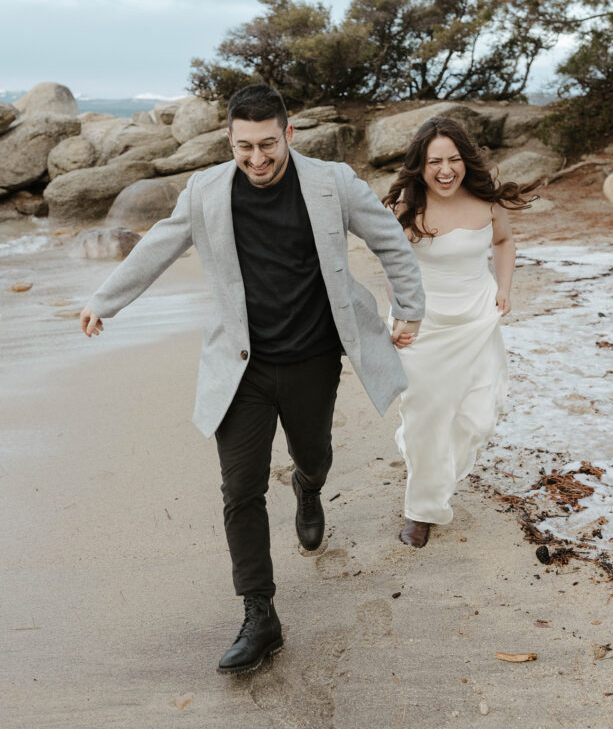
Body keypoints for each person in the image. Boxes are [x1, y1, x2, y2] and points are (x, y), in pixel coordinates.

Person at [79, 85, 424, 673]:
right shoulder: (207, 189)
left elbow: (387, 237)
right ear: (228, 140)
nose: (257, 158)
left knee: (312, 453)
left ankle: (310, 487)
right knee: (240, 489)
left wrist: (409, 306)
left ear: (289, 134)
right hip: (240, 365)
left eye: (268, 144)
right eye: (245, 146)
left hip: (315, 357)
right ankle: (260, 613)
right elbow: (160, 242)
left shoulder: (332, 181)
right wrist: (105, 300)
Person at [383, 116, 532, 549]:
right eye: (434, 162)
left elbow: (503, 243)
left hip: (476, 321)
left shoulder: (487, 203)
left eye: (453, 159)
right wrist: (400, 314)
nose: (445, 170)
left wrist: (504, 288)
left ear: (466, 160)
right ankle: (421, 511)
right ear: (420, 165)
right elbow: (394, 267)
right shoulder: (406, 209)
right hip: (423, 326)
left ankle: (431, 471)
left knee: (474, 415)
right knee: (427, 416)